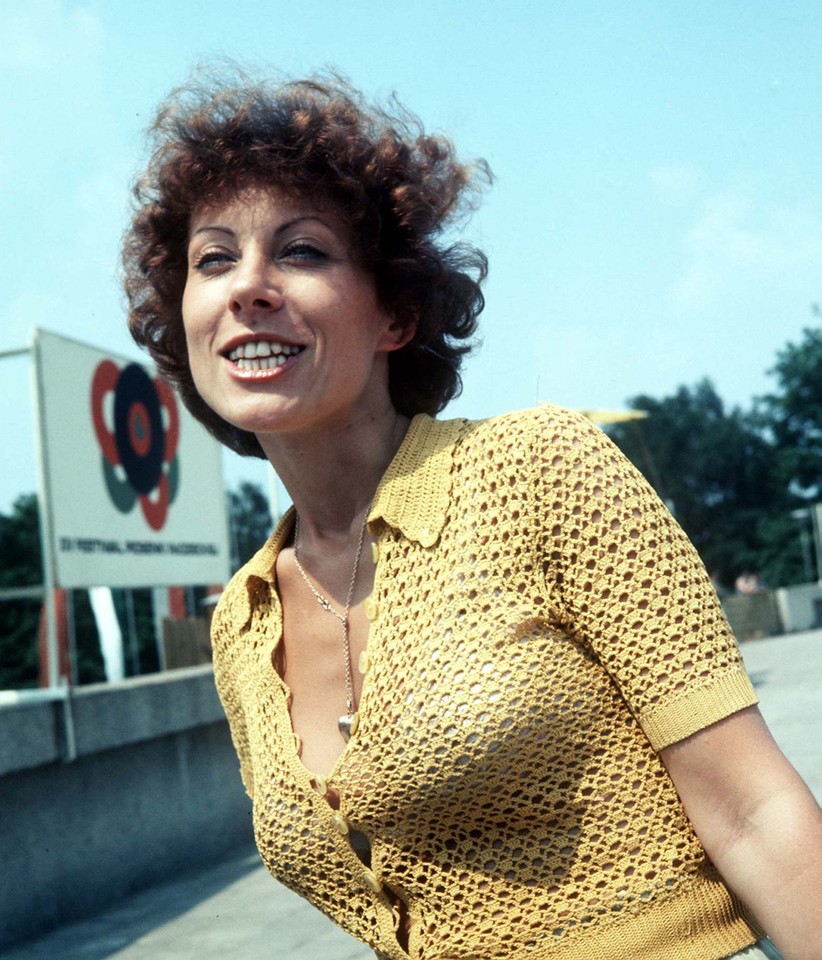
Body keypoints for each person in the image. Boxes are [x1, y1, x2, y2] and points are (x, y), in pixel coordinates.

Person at [123, 69, 822, 960]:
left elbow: (756, 811)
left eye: (302, 252)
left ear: (396, 315)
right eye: (214, 259)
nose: (247, 287)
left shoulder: (537, 468)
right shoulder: (241, 622)